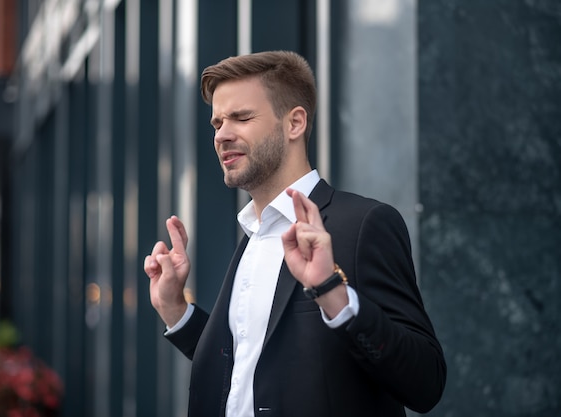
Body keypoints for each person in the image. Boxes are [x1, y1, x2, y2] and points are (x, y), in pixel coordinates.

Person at [144, 50, 446, 417]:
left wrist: (331, 291)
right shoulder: (252, 238)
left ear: (295, 123)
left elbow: (425, 382)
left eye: (241, 117)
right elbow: (251, 364)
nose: (222, 135)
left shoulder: (364, 224)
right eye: (217, 123)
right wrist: (175, 309)